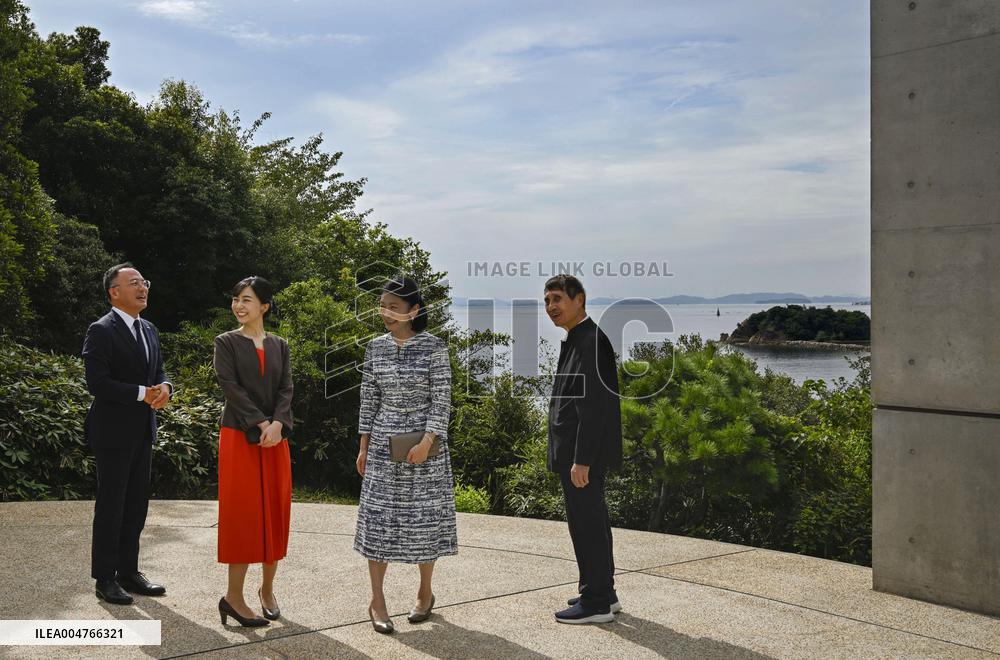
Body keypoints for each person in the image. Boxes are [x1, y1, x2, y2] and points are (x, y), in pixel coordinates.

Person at [354, 275, 457, 634]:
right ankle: (377, 600)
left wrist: (426, 442)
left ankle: (425, 593)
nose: (385, 312)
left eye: (393, 307)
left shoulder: (434, 347)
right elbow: (369, 397)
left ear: (413, 311)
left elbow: (442, 399)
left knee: (423, 522)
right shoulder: (374, 347)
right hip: (382, 445)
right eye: (382, 305)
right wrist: (363, 446)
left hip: (424, 446)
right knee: (377, 523)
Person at [82, 263, 172, 605]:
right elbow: (97, 383)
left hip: (143, 429)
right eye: (133, 282)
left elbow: (159, 369)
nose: (142, 287)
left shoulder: (149, 328)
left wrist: (164, 387)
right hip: (112, 430)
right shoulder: (100, 330)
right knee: (112, 504)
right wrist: (142, 393)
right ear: (114, 292)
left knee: (136, 504)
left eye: (144, 282)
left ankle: (129, 571)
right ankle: (105, 578)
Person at [212, 276, 293, 628]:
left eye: (246, 300)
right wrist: (261, 424)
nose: (238, 306)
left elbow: (287, 388)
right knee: (243, 514)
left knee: (274, 512)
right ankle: (233, 597)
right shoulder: (226, 342)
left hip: (276, 439)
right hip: (239, 436)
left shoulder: (279, 344)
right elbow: (230, 387)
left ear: (264, 306)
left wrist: (277, 425)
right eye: (235, 300)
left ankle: (268, 591)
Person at [543, 274, 623, 624]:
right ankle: (603, 591)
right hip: (576, 455)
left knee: (587, 524)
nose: (551, 307)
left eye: (558, 299)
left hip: (581, 458)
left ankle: (597, 603)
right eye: (547, 301)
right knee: (591, 522)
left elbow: (594, 406)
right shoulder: (578, 338)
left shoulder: (590, 340)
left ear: (580, 300)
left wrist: (582, 459)